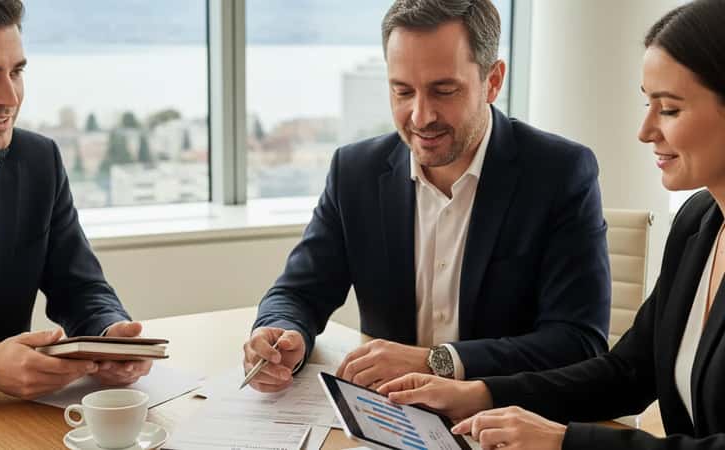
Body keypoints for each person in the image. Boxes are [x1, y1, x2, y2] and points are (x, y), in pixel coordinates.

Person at [378, 0, 725, 448]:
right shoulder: (699, 223)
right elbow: (628, 373)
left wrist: (565, 442)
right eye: (647, 103)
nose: (644, 130)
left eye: (670, 109)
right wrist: (478, 394)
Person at [243, 0, 611, 394]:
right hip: (387, 417)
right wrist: (281, 334)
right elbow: (298, 292)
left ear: (493, 80)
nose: (420, 116)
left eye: (444, 90)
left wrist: (438, 361)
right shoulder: (355, 173)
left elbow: (579, 342)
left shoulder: (559, 173)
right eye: (402, 91)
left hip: (501, 418)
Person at [0, 0, 150, 407]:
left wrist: (108, 334)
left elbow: (79, 285)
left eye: (16, 71)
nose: (9, 96)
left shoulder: (38, 161)